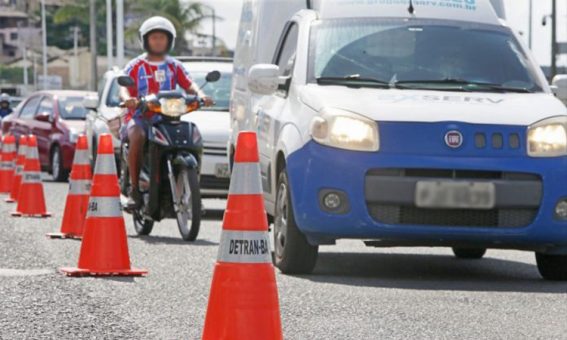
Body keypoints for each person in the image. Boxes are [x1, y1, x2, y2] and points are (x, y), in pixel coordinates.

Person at [120, 16, 213, 208]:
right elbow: (123, 85)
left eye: (162, 38)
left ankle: (193, 193)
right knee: (136, 135)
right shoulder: (136, 65)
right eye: (154, 38)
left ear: (169, 41)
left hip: (169, 118)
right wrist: (128, 99)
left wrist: (201, 96)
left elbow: (189, 84)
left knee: (193, 135)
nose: (158, 41)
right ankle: (134, 190)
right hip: (140, 117)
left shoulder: (174, 65)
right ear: (145, 40)